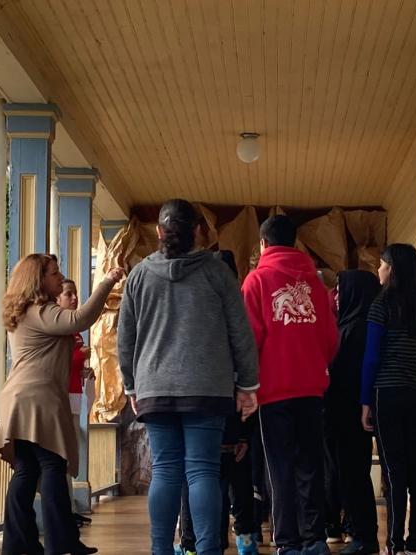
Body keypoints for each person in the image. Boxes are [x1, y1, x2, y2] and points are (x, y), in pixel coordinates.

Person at [118, 199, 260, 555]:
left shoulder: (138, 276)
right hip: (207, 389)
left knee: (165, 471)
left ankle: (161, 550)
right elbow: (240, 332)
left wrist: (131, 385)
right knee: (202, 472)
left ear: (159, 232)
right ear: (198, 231)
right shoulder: (217, 273)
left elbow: (125, 339)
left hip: (155, 387)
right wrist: (247, 384)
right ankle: (210, 550)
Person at [0, 253, 124, 555]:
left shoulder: (25, 311)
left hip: (20, 397)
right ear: (38, 280)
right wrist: (107, 282)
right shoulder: (41, 311)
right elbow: (80, 319)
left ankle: (20, 544)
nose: (59, 276)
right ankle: (58, 542)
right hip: (37, 397)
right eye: (54, 273)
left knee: (27, 469)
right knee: (53, 465)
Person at [241, 215, 339, 555]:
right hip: (311, 389)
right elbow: (330, 339)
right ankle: (315, 539)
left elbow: (248, 340)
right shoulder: (316, 284)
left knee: (279, 467)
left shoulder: (256, 282)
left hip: (273, 391)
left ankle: (287, 541)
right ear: (295, 243)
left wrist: (246, 385)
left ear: (263, 244)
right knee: (311, 465)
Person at [176, 250, 261, 555]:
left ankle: (193, 544)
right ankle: (246, 541)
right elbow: (248, 371)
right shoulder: (240, 316)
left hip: (200, 410)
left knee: (197, 478)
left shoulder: (192, 315)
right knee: (236, 478)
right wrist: (245, 431)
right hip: (236, 413)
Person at [360, 244, 416, 555]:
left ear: (392, 269)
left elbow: (371, 358)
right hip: (414, 393)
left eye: (381, 265)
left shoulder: (381, 306)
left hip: (385, 393)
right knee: (415, 466)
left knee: (394, 470)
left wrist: (365, 400)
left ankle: (394, 543)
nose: (378, 271)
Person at [326, 270, 382, 555]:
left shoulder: (355, 330)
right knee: (350, 474)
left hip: (349, 416)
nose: (336, 294)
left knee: (353, 475)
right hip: (347, 416)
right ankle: (358, 531)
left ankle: (364, 535)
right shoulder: (353, 325)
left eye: (340, 288)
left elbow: (346, 376)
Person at [56, 278, 94, 528]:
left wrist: (85, 372)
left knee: (70, 455)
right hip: (61, 398)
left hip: (75, 395)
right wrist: (80, 356)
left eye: (75, 294)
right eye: (68, 294)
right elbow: (57, 362)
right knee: (62, 456)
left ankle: (68, 508)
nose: (73, 298)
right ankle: (63, 511)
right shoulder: (58, 329)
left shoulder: (75, 331)